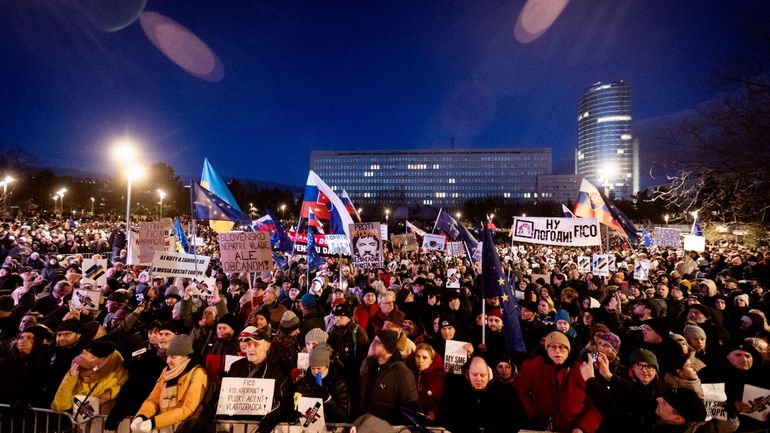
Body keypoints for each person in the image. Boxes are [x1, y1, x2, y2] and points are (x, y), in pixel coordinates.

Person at [514, 331, 602, 433]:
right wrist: (532, 414)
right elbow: (520, 389)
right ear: (546, 350)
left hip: (572, 429)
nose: (558, 351)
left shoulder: (581, 371)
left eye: (562, 347)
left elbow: (597, 405)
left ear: (568, 350)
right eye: (553, 347)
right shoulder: (534, 367)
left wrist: (582, 427)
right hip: (542, 427)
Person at [132, 334, 210, 433]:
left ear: (186, 356)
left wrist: (154, 422)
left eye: (173, 357)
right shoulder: (166, 371)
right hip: (162, 428)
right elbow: (153, 399)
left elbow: (188, 409)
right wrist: (141, 416)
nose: (168, 361)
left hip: (181, 429)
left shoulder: (198, 373)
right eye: (168, 356)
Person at [226, 328, 292, 433]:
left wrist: (263, 429)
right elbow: (225, 398)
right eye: (248, 345)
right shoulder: (235, 367)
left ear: (267, 346)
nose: (250, 349)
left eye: (256, 345)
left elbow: (281, 404)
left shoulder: (278, 369)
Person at [441, 356, 526, 433]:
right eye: (474, 375)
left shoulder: (504, 392)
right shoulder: (456, 389)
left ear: (489, 375)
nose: (478, 379)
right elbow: (445, 416)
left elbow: (516, 421)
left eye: (483, 375)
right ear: (467, 374)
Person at [52, 340, 129, 414]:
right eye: (83, 354)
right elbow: (60, 406)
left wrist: (111, 393)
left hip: (107, 425)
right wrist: (70, 378)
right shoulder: (77, 373)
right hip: (82, 426)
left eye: (91, 357)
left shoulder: (119, 375)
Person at [359, 329, 418, 424]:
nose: (372, 344)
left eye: (377, 342)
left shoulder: (402, 373)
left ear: (387, 347)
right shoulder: (370, 365)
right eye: (373, 341)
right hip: (368, 423)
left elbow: (410, 408)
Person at [295, 342, 350, 422]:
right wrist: (296, 411)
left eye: (319, 368)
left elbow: (343, 415)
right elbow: (297, 407)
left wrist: (328, 400)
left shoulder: (338, 383)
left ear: (327, 366)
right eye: (313, 368)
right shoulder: (305, 382)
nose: (316, 372)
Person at [405, 343, 445, 422]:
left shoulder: (438, 376)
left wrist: (433, 412)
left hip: (429, 420)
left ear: (431, 360)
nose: (420, 361)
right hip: (408, 416)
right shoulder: (408, 372)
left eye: (425, 357)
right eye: (417, 356)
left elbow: (439, 400)